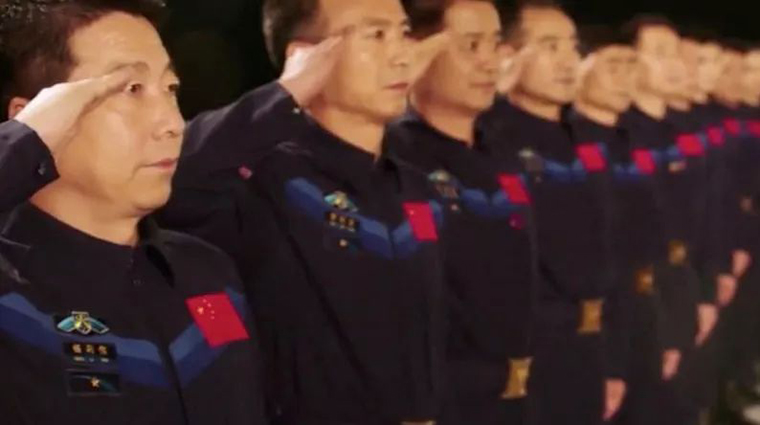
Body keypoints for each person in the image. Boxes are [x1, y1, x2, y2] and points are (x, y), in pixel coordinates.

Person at [160, 0, 453, 423]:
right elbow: (179, 174)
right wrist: (286, 93)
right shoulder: (263, 179)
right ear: (304, 55)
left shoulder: (413, 186)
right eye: (375, 35)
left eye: (403, 32)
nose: (402, 54)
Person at [0, 1, 269, 423]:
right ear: (33, 118)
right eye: (131, 89)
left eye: (171, 89)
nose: (173, 123)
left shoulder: (208, 271)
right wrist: (23, 142)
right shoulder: (11, 295)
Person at [387, 1, 536, 424]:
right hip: (439, 401)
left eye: (494, 43)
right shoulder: (390, 154)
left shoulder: (500, 151)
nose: (489, 61)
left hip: (514, 393)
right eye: (470, 45)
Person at [478, 2, 622, 424]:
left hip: (588, 344)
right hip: (529, 354)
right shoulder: (490, 137)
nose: (568, 61)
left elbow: (609, 247)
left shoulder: (583, 137)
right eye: (549, 46)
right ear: (508, 55)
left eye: (572, 47)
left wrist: (613, 359)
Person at [568, 25, 671, 425]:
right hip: (593, 321)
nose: (625, 77)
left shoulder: (630, 137)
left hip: (639, 306)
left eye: (631, 66)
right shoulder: (568, 142)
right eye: (613, 65)